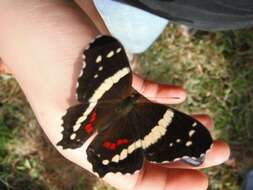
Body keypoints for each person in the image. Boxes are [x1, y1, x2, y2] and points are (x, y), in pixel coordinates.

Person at [0, 1, 230, 190]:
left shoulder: (120, 81)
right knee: (138, 37)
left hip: (94, 111)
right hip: (116, 132)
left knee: (138, 37)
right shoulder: (157, 115)